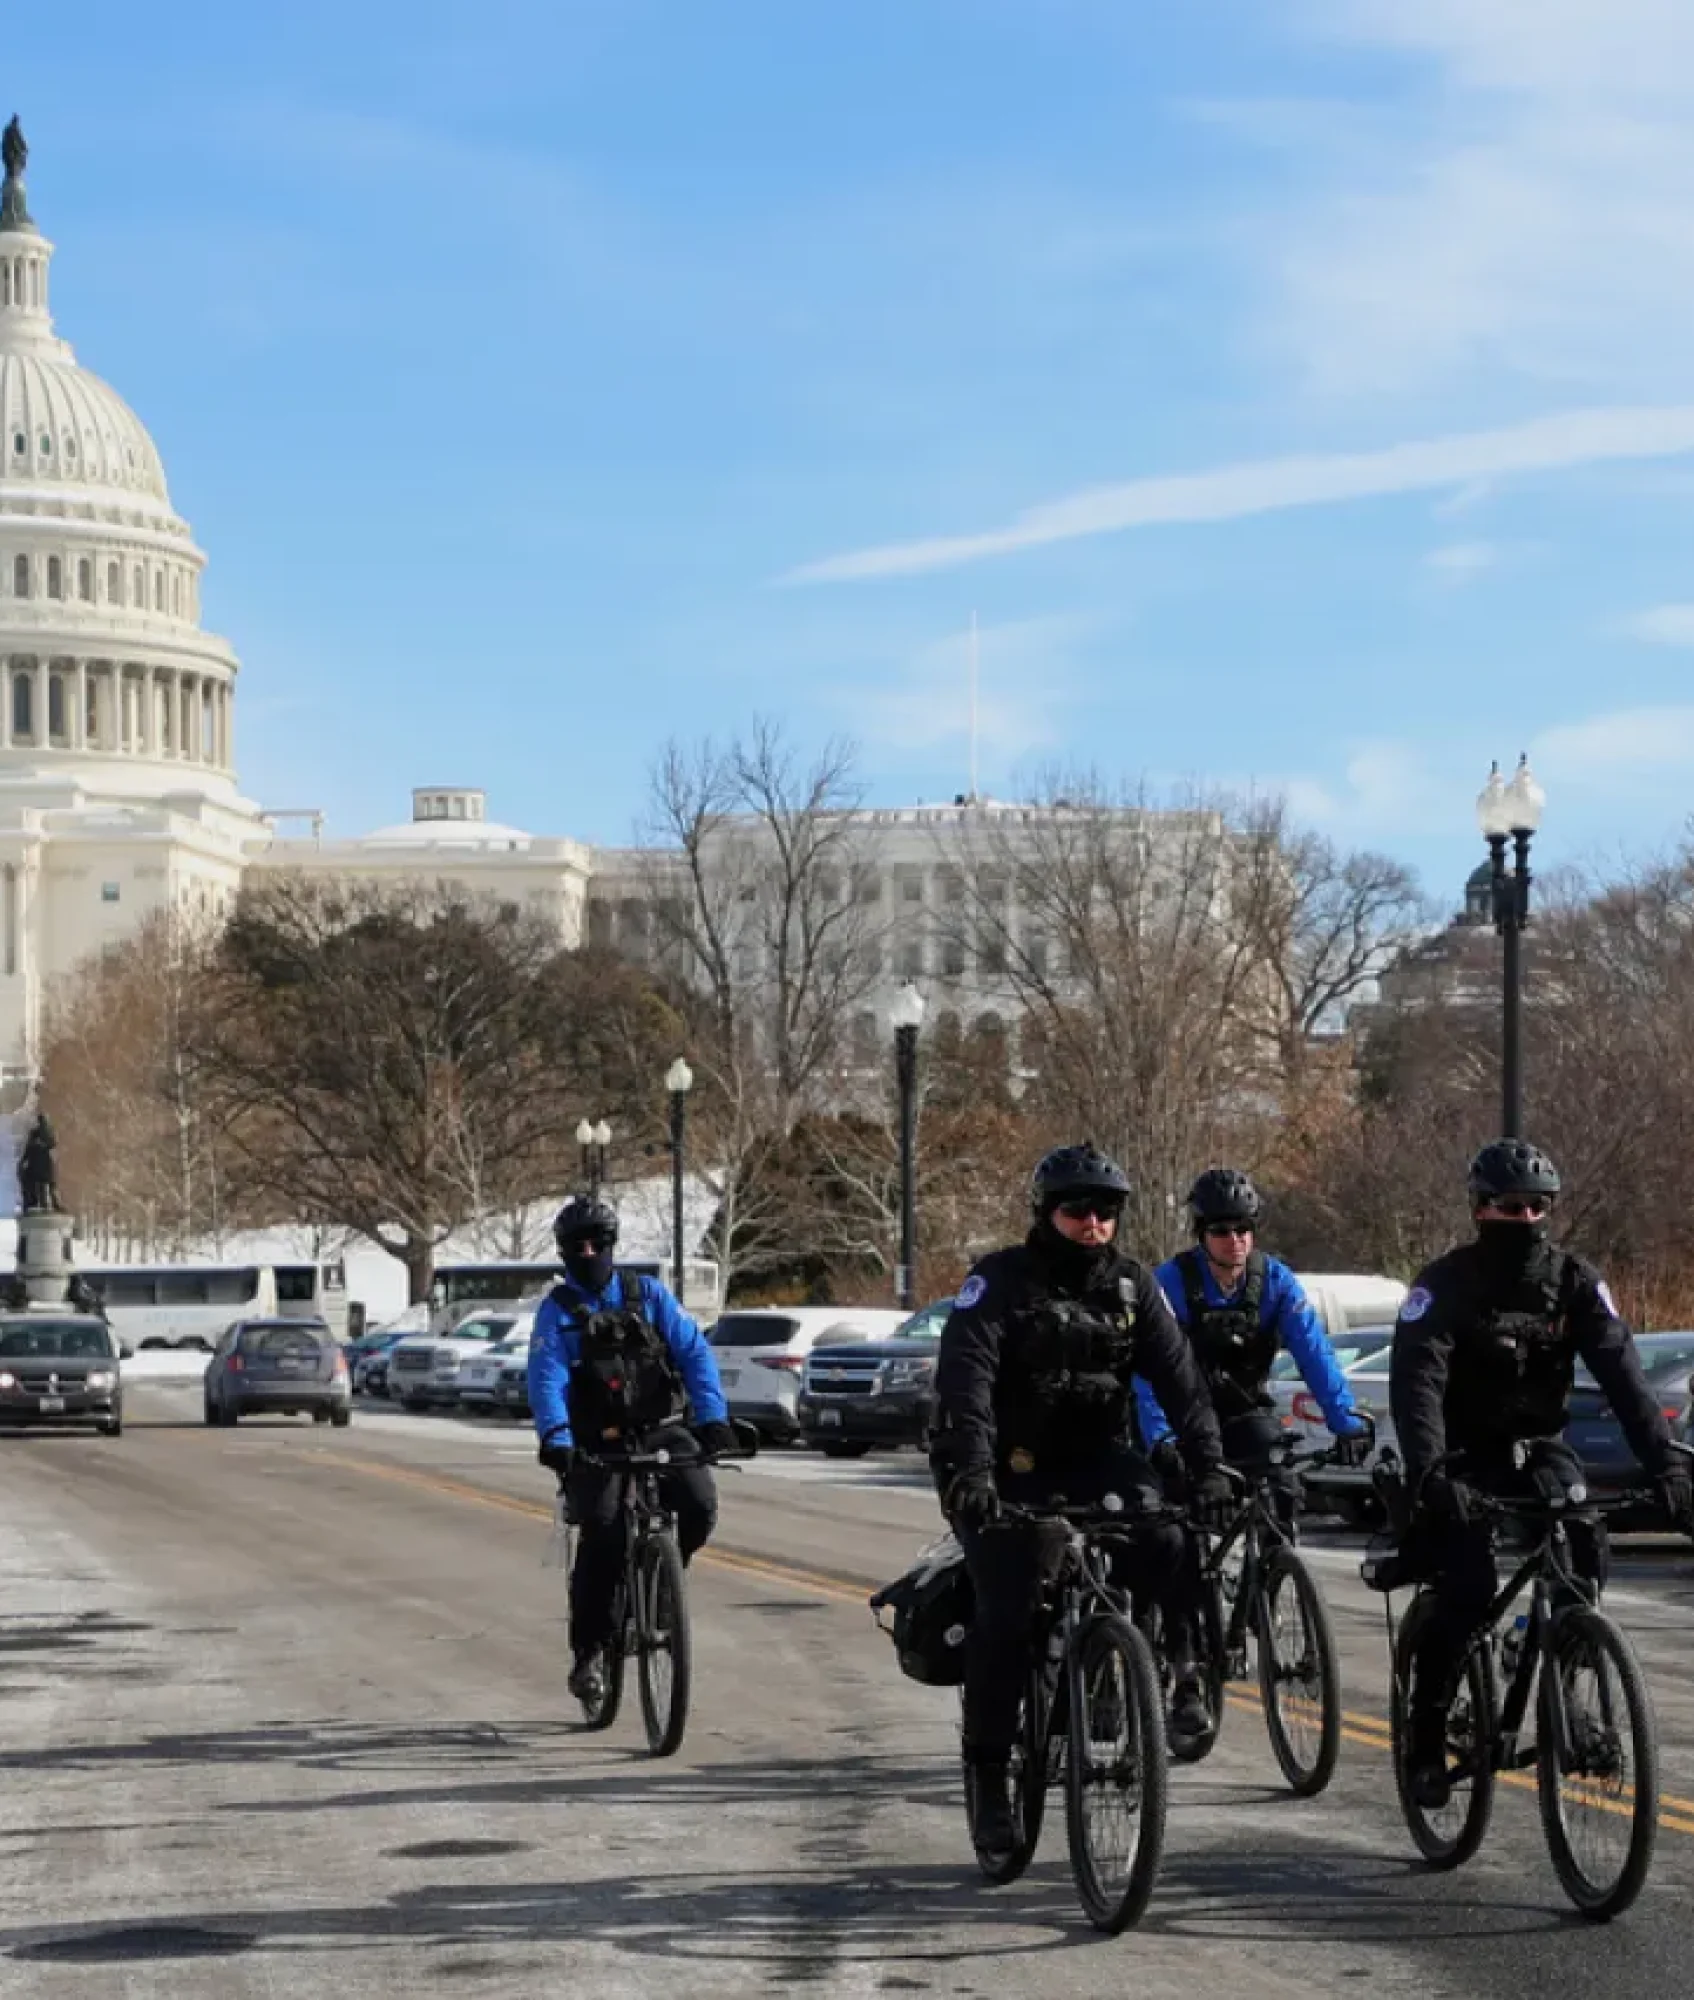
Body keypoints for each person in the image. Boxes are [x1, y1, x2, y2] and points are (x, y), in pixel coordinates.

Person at [931, 1143, 1230, 1860]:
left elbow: (1182, 1381)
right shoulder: (998, 1281)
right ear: (1046, 1213)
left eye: (1107, 1212)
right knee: (1006, 1610)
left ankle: (1182, 1677)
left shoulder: (1131, 1287)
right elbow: (966, 1382)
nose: (1094, 1224)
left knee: (1168, 1540)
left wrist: (1209, 1466)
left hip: (1095, 1458)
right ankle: (992, 1782)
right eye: (1078, 1211)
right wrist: (973, 1475)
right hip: (1005, 1465)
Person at [1391, 1138, 1694, 1810]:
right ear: (1479, 1208)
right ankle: (1425, 1732)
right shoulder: (1444, 1284)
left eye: (1537, 1207)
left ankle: (1566, 1664)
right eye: (1509, 1206)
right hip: (1464, 1454)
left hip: (1541, 1445)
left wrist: (1666, 1461)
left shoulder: (1574, 1281)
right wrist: (1431, 1472)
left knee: (1585, 1553)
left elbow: (1624, 1376)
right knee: (1467, 1589)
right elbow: (1417, 1384)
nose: (1524, 1218)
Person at [529, 1195, 737, 1710]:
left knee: (699, 1503)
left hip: (661, 1427)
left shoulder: (647, 1296)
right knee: (603, 1532)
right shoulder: (557, 1312)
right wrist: (556, 1439)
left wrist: (712, 1419)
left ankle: (665, 1586)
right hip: (594, 1440)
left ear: (612, 1247)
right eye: (577, 1246)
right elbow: (546, 1377)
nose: (588, 1252)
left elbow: (693, 1352)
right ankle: (591, 1653)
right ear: (563, 1253)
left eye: (598, 1243)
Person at [1136, 1167, 1373, 1499]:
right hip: (1183, 1419)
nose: (1234, 1240)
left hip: (1243, 1413)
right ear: (1201, 1234)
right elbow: (1148, 1369)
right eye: (1221, 1230)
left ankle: (1272, 1548)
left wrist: (1345, 1421)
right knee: (1179, 1521)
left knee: (1283, 1490)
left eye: (1243, 1229)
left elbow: (1314, 1352)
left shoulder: (1277, 1282)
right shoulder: (1169, 1283)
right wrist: (1161, 1438)